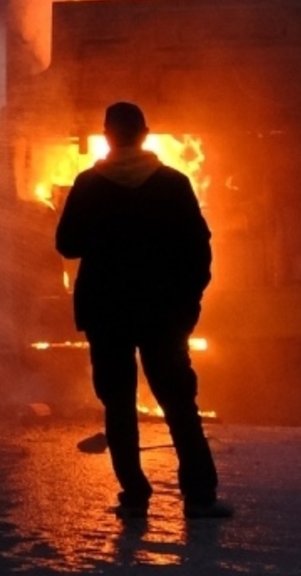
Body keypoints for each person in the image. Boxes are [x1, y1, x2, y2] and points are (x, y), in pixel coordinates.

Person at [55, 101, 232, 520]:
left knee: (118, 404)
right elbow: (199, 250)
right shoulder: (173, 184)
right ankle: (199, 496)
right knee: (178, 403)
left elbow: (67, 245)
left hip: (107, 313)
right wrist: (188, 301)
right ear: (145, 134)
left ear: (107, 136)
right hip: (163, 314)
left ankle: (134, 495)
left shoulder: (87, 185)